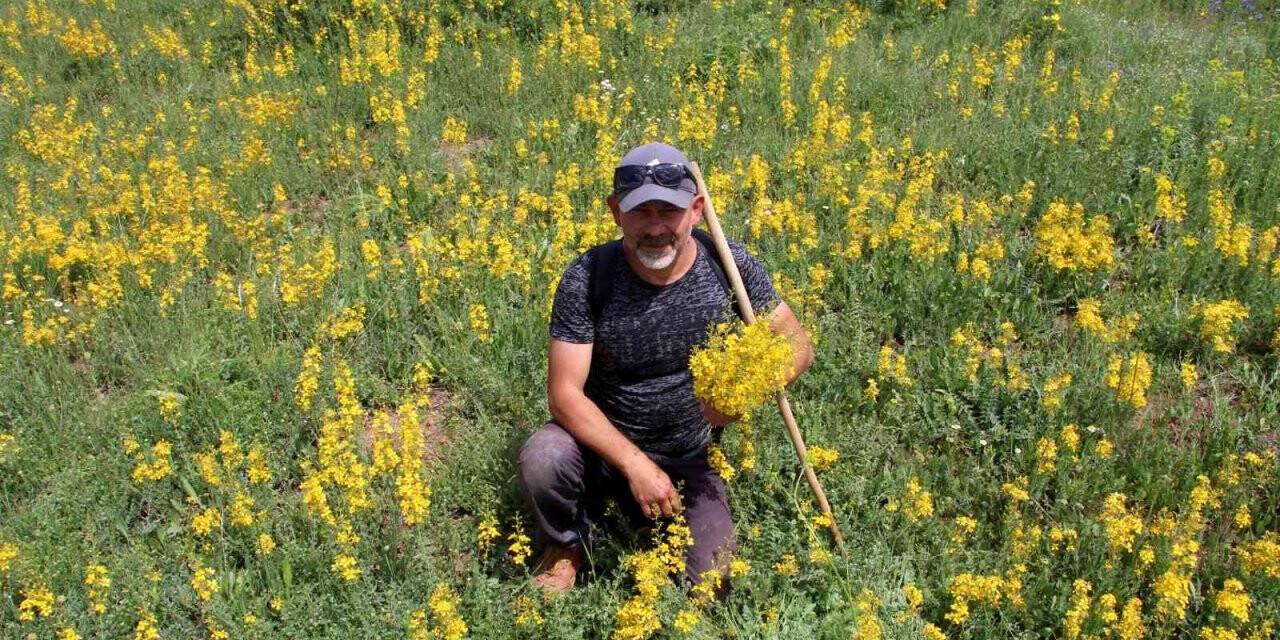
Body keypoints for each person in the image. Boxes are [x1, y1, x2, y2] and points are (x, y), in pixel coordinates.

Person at [517, 141, 814, 596]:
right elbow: (564, 395)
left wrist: (738, 399)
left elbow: (796, 346)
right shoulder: (588, 277)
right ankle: (565, 546)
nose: (655, 228)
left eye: (668, 211)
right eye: (641, 212)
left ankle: (645, 517)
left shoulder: (727, 265)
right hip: (599, 451)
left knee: (712, 586)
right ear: (616, 212)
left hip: (689, 456)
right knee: (544, 457)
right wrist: (635, 464)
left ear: (696, 209)